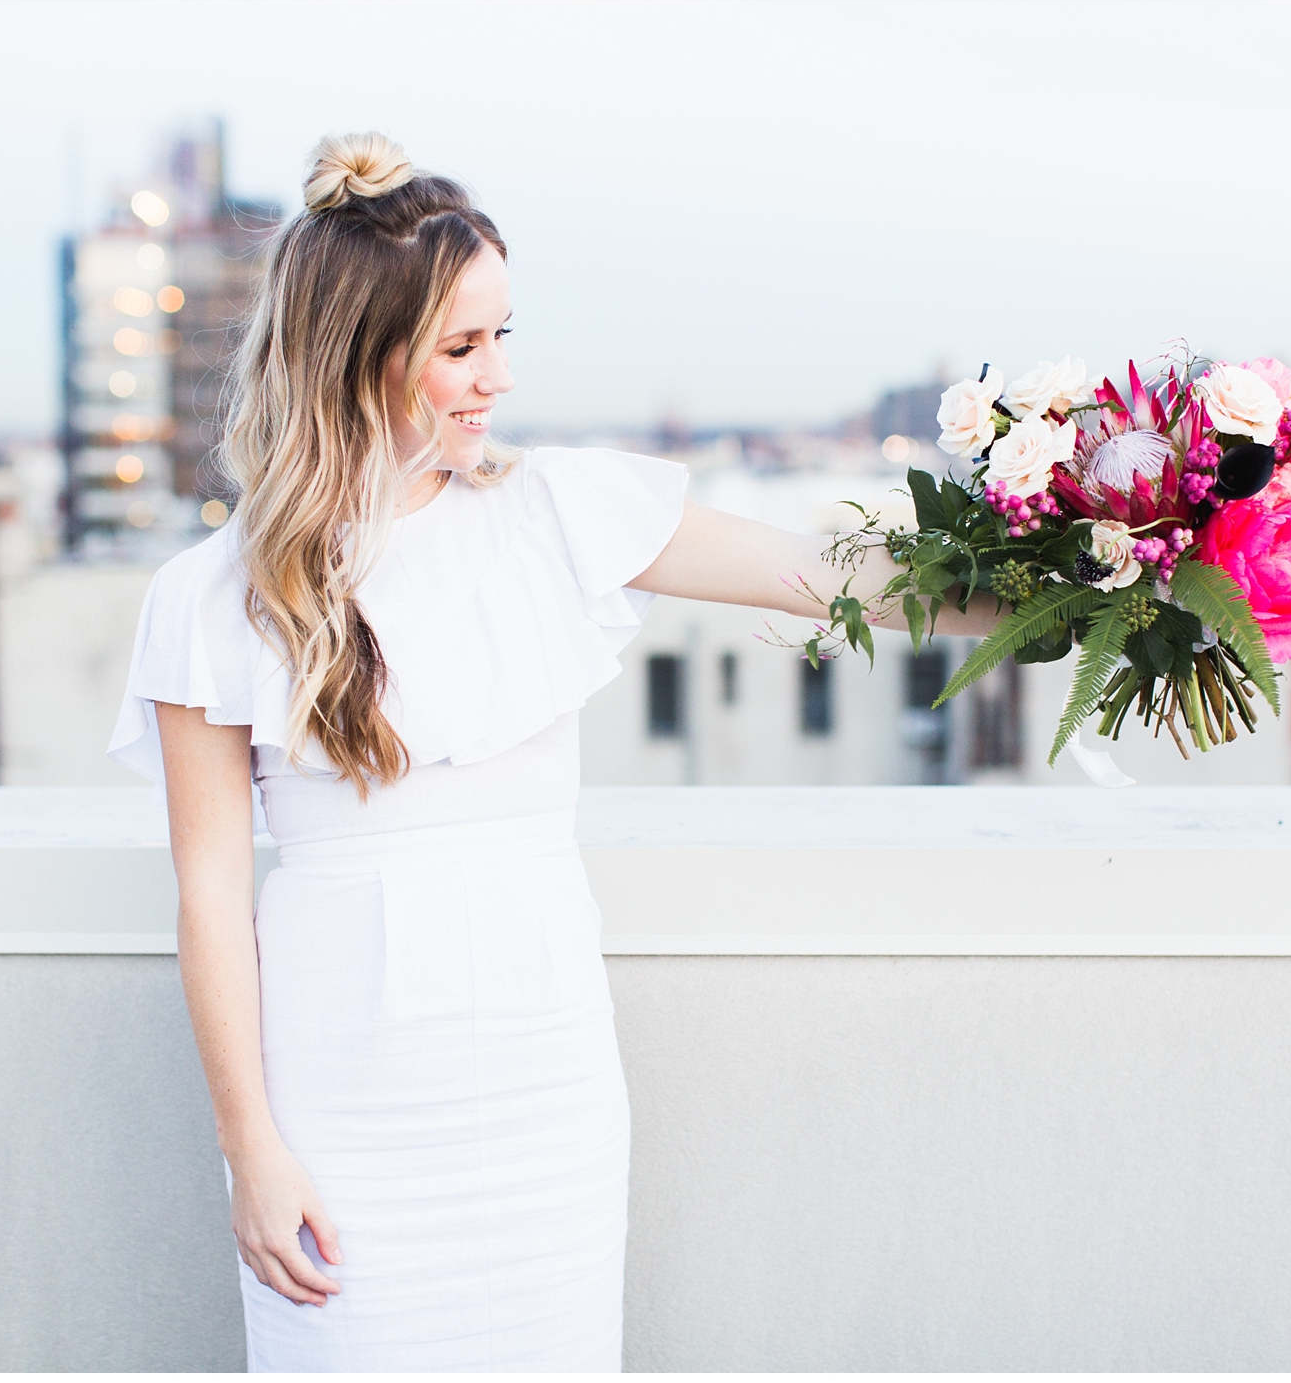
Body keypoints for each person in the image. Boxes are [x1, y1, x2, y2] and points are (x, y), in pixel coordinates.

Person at [109, 132, 1005, 1371]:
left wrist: (1096, 572)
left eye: (504, 337)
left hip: (545, 1077)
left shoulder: (562, 509)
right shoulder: (211, 595)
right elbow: (208, 895)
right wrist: (250, 1149)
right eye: (461, 348)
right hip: (342, 1100)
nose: (497, 378)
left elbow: (834, 576)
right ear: (356, 358)